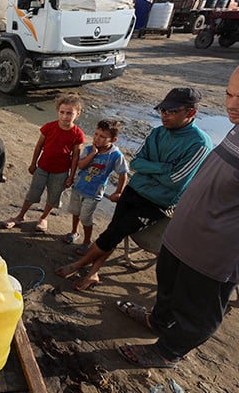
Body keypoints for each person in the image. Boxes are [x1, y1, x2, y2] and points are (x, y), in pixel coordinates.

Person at [116, 59, 239, 369]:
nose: (232, 104)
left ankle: (167, 351)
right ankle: (158, 320)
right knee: (168, 286)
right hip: (183, 234)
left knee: (198, 311)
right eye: (230, 93)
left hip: (215, 251)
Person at [55, 87, 213, 290]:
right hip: (134, 190)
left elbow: (176, 180)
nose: (164, 115)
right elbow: (136, 164)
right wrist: (164, 167)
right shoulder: (157, 132)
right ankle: (93, 273)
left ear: (191, 112)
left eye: (172, 111)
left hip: (157, 202)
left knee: (115, 232)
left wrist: (152, 168)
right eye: (163, 110)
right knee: (114, 231)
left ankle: (78, 264)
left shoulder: (200, 144)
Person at [3, 93, 86, 232]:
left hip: (61, 172)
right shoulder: (49, 127)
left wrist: (71, 176)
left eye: (69, 113)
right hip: (42, 167)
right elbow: (38, 146)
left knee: (53, 197)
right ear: (58, 111)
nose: (65, 116)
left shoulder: (78, 134)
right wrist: (33, 163)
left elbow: (75, 157)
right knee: (33, 193)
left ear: (78, 114)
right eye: (62, 112)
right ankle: (20, 216)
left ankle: (44, 217)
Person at [63, 119, 129, 254]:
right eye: (96, 134)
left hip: (93, 193)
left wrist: (118, 192)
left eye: (102, 137)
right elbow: (81, 165)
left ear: (113, 139)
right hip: (79, 187)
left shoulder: (115, 155)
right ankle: (74, 232)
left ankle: (87, 241)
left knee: (85, 217)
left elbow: (123, 174)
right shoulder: (89, 149)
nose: (97, 139)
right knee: (75, 212)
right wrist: (93, 154)